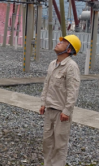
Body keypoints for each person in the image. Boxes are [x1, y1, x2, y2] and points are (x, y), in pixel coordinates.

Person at [40, 35, 81, 166]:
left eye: (63, 42)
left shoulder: (71, 66)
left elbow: (73, 90)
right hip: (49, 109)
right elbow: (47, 84)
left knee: (59, 144)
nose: (59, 43)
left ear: (69, 49)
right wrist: (43, 103)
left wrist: (67, 111)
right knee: (47, 142)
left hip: (61, 113)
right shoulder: (53, 64)